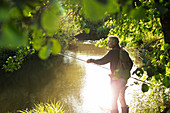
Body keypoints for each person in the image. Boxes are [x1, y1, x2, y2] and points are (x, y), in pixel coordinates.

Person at [87, 35, 132, 113]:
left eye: (109, 41)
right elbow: (131, 64)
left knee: (113, 99)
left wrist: (91, 60)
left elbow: (102, 61)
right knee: (121, 97)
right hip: (124, 79)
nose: (108, 43)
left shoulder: (112, 52)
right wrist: (123, 75)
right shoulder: (123, 51)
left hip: (115, 79)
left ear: (114, 43)